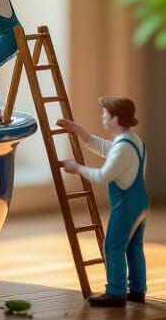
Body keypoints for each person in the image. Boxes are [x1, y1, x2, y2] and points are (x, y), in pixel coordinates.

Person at [59, 97, 149, 308]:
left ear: (116, 119)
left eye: (105, 114)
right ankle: (138, 290)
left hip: (127, 205)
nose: (102, 117)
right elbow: (103, 147)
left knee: (113, 245)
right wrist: (79, 131)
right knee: (134, 247)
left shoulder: (122, 148)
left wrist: (77, 168)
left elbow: (102, 176)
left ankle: (116, 293)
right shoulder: (133, 140)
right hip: (140, 202)